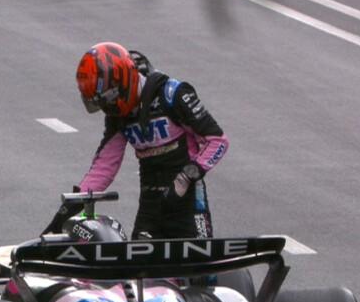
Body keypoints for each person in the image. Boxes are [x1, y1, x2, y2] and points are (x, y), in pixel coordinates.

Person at [44, 42, 228, 239]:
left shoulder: (172, 95)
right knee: (139, 268)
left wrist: (185, 177)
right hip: (151, 205)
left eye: (109, 100)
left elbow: (217, 141)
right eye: (102, 104)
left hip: (188, 200)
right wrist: (66, 212)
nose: (109, 109)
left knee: (199, 265)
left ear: (121, 83)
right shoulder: (118, 116)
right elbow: (104, 166)